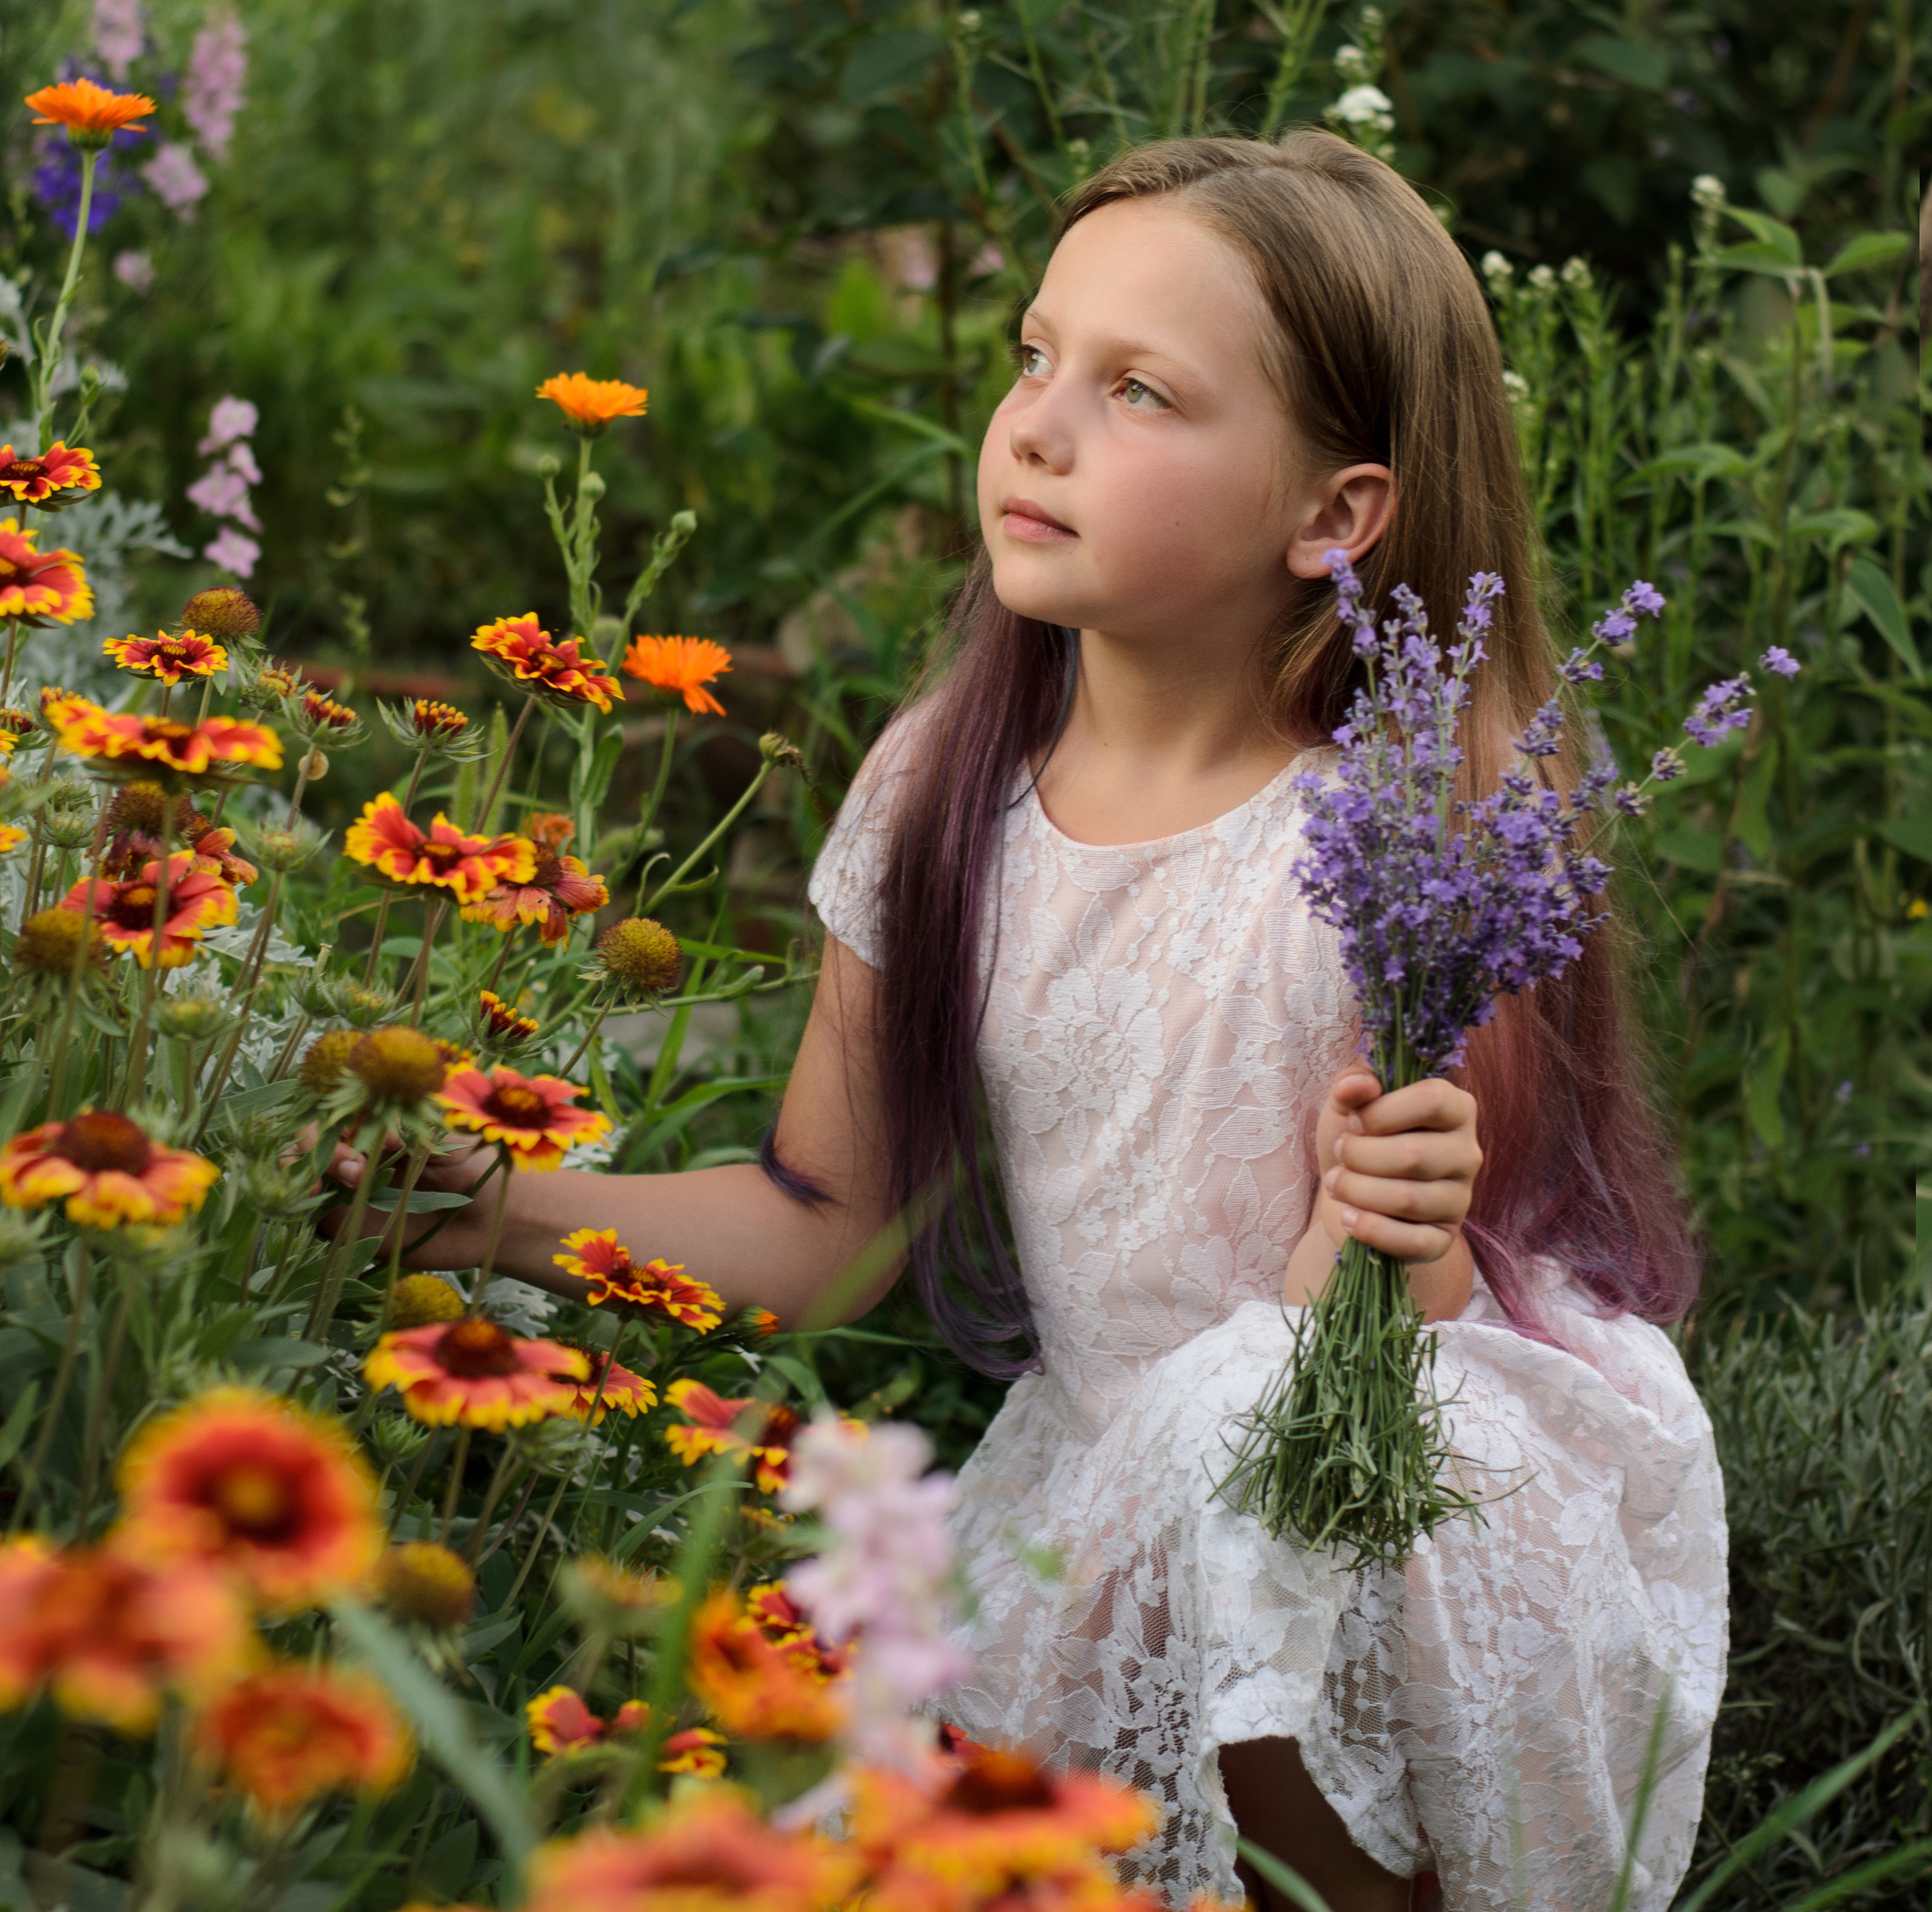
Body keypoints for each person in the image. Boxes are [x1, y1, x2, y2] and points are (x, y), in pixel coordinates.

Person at [337, 132, 1727, 1912]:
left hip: (1374, 1484)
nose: (1037, 428)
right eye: (1031, 356)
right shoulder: (948, 786)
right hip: (1097, 1470)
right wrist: (484, 1203)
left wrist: (1394, 1223)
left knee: (1252, 1545)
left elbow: (1395, 1362)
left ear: (1333, 515)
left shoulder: (1410, 839)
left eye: (1137, 389)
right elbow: (824, 1225)